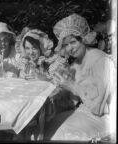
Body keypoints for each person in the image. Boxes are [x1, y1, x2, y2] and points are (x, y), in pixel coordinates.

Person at [43, 13, 116, 141]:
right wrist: (59, 87)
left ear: (83, 39)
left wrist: (73, 87)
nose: (70, 48)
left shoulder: (100, 61)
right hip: (85, 111)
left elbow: (98, 107)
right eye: (66, 45)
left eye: (73, 42)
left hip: (105, 117)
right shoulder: (76, 64)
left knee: (62, 133)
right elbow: (72, 101)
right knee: (47, 124)